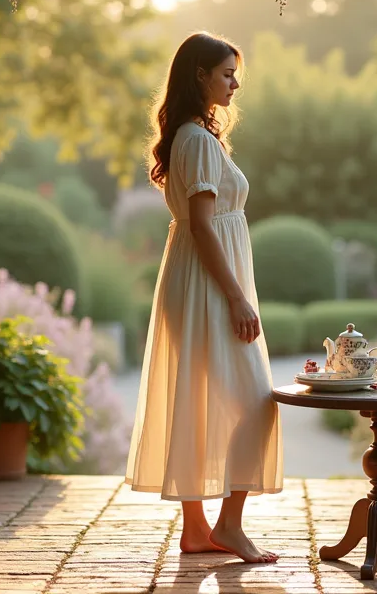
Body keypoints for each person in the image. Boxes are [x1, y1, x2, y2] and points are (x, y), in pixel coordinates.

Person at [125, 32, 283, 564]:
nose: (235, 83)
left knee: (199, 396)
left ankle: (196, 530)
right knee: (258, 402)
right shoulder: (194, 139)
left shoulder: (196, 137)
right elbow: (202, 225)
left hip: (200, 280)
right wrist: (237, 298)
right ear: (200, 75)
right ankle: (229, 526)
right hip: (209, 285)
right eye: (227, 73)